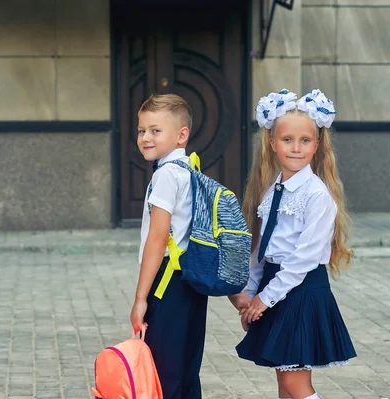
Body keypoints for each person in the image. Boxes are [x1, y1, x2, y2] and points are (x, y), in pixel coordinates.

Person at [230, 89, 357, 399]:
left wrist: (265, 299)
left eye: (304, 141)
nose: (296, 148)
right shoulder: (273, 190)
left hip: (300, 291)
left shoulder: (316, 195)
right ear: (272, 144)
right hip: (277, 288)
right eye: (287, 140)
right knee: (283, 383)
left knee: (294, 384)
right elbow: (263, 249)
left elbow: (303, 259)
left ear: (316, 145)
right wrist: (250, 293)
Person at [130, 94, 207, 399]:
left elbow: (158, 238)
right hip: (190, 282)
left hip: (166, 283)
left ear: (181, 135)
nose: (146, 137)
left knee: (163, 374)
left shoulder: (165, 176)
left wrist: (140, 298)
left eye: (155, 130)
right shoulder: (191, 170)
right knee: (186, 370)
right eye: (141, 130)